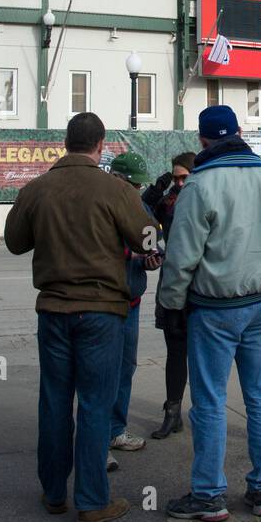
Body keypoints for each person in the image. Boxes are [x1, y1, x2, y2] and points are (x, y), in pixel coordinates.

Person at [4, 113, 154, 522]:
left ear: (66, 142)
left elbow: (15, 242)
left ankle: (53, 493)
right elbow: (148, 239)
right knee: (94, 404)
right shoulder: (116, 189)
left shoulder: (37, 188)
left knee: (53, 401)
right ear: (100, 144)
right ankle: (91, 502)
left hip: (52, 310)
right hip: (103, 313)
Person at [159, 106, 261, 521]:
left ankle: (208, 494)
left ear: (202, 141)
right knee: (260, 396)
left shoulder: (199, 185)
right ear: (239, 133)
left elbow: (182, 256)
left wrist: (170, 305)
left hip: (215, 309)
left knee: (209, 402)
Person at [106, 151, 161, 456]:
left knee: (126, 367)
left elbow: (153, 244)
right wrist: (131, 256)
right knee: (103, 371)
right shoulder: (101, 203)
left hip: (132, 300)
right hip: (105, 301)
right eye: (132, 184)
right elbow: (97, 247)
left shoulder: (140, 206)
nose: (137, 190)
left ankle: (115, 430)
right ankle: (97, 438)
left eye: (139, 186)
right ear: (117, 178)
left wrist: (150, 260)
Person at [142, 152, 196, 439]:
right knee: (175, 351)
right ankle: (172, 413)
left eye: (183, 177)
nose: (178, 183)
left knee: (200, 352)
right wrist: (156, 188)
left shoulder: (203, 197)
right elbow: (142, 213)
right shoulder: (170, 200)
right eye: (175, 177)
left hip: (200, 284)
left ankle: (203, 413)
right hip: (172, 281)